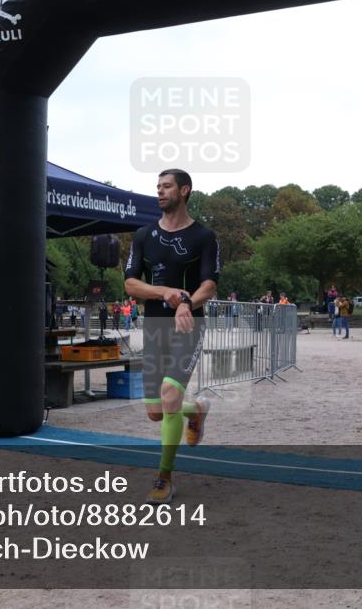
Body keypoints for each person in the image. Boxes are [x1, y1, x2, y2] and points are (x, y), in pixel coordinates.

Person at [124, 169, 219, 505]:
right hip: (154, 329)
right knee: (156, 412)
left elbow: (210, 283)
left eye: (166, 187)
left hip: (188, 328)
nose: (160, 192)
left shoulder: (204, 236)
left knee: (168, 397)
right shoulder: (143, 235)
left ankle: (163, 477)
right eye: (158, 187)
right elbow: (131, 284)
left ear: (185, 190)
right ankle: (196, 410)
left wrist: (188, 302)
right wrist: (167, 293)